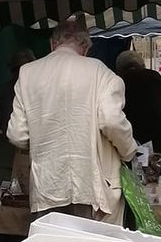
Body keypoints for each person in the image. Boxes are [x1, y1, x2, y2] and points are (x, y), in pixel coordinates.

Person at [7, 16, 137, 222]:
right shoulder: (103, 73)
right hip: (95, 188)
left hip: (47, 186)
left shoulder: (27, 74)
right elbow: (112, 121)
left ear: (52, 44)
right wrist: (129, 151)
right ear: (86, 47)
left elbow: (17, 135)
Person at [115, 49, 161, 153]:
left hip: (133, 137)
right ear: (142, 64)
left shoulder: (118, 81)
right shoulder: (153, 76)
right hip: (160, 133)